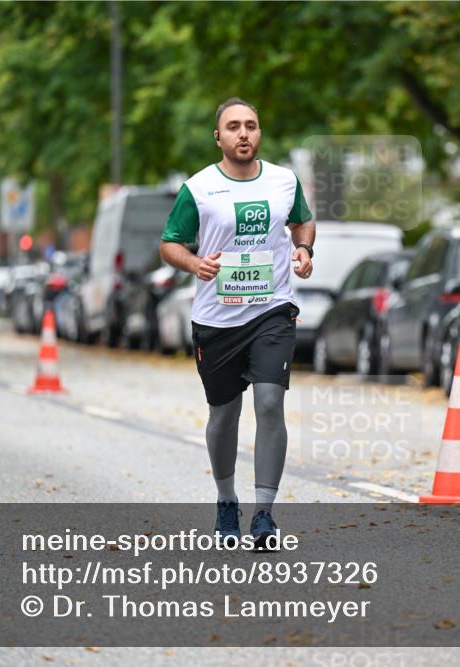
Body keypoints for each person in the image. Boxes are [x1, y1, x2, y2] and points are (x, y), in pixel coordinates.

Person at [160, 98, 315, 548]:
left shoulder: (284, 181)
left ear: (259, 134)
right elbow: (170, 243)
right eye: (233, 127)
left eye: (251, 126)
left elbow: (302, 222)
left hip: (272, 310)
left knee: (269, 404)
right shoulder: (199, 188)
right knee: (224, 415)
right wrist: (195, 264)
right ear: (219, 137)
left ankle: (264, 513)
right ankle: (227, 501)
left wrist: (303, 250)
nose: (243, 133)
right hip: (217, 319)